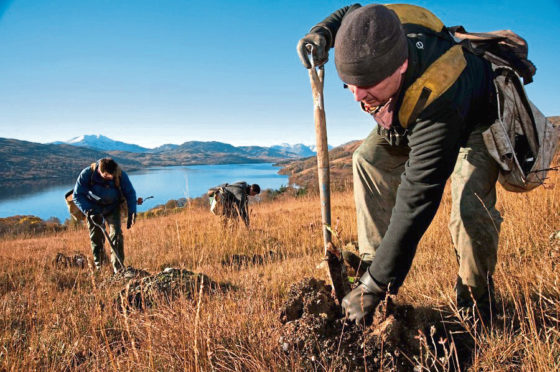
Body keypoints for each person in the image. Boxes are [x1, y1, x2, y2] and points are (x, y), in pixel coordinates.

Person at [297, 4, 501, 325]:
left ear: (400, 65)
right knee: (367, 159)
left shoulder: (441, 95)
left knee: (469, 211)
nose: (357, 97)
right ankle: (372, 262)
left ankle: (476, 309)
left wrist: (374, 287)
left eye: (368, 86)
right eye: (350, 83)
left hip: (475, 119)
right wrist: (322, 31)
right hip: (409, 110)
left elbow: (417, 199)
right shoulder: (380, 26)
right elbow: (352, 13)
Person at [73, 158, 140, 273]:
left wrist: (132, 212)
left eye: (112, 175)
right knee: (96, 237)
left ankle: (118, 268)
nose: (111, 178)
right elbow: (77, 195)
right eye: (107, 176)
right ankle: (101, 266)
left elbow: (130, 193)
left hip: (113, 207)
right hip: (94, 209)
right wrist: (89, 211)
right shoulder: (87, 174)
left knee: (116, 235)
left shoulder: (119, 174)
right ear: (99, 171)